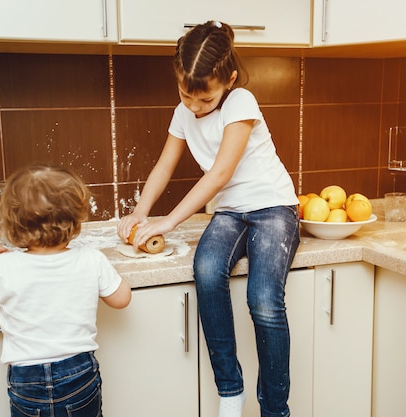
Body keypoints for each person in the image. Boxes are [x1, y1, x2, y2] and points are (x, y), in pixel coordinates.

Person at [117, 20, 300, 417]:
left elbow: (219, 174)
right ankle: (230, 390)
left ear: (229, 79)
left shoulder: (241, 103)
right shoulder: (183, 112)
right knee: (206, 268)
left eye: (205, 99)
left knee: (263, 299)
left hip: (272, 207)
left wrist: (167, 222)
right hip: (231, 212)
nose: (196, 107)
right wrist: (140, 212)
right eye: (187, 96)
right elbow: (165, 166)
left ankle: (275, 408)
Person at [0, 163, 131, 417]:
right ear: (76, 218)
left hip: (26, 380)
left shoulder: (0, 265)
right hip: (79, 373)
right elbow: (121, 298)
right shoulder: (91, 258)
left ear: (13, 222)